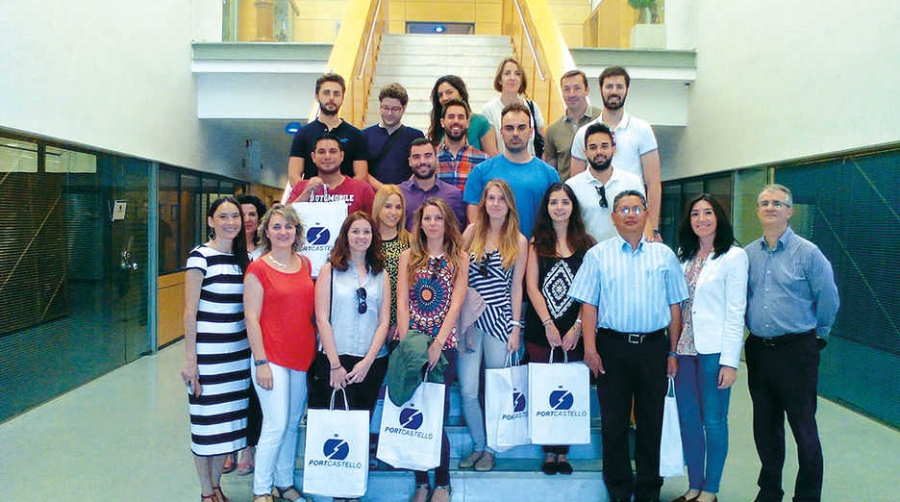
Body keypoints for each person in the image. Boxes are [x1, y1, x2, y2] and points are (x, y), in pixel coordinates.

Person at [569, 190, 688, 502]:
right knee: (614, 423)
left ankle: (649, 490)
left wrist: (673, 351)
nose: (631, 214)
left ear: (646, 214)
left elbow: (676, 308)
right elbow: (589, 306)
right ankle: (619, 490)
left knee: (651, 422)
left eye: (637, 208)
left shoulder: (664, 256)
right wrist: (590, 349)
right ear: (614, 217)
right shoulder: (598, 255)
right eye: (623, 209)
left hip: (653, 349)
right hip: (612, 348)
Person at [744, 184, 839, 502]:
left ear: (790, 210)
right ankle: (769, 491)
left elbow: (828, 298)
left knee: (803, 428)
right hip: (759, 351)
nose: (770, 207)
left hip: (796, 351)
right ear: (757, 211)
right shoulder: (748, 254)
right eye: (764, 203)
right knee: (765, 428)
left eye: (777, 203)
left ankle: (808, 496)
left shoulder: (808, 253)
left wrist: (819, 334)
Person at [670, 194, 748, 502]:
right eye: (695, 214)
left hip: (714, 351)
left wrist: (730, 362)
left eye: (708, 213)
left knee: (714, 421)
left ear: (719, 217)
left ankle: (711, 490)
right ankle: (694, 486)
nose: (701, 219)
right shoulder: (683, 255)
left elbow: (735, 311)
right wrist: (671, 350)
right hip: (684, 350)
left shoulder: (733, 256)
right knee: (689, 421)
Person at [396, 198, 469, 502]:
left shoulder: (459, 258)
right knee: (413, 415)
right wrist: (407, 343)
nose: (433, 223)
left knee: (436, 416)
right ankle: (421, 481)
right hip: (413, 342)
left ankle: (442, 482)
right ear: (421, 222)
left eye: (438, 218)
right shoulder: (409, 256)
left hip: (444, 345)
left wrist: (437, 344)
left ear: (446, 222)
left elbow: (456, 303)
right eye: (428, 218)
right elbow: (401, 299)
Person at [244, 204, 317, 502]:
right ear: (267, 232)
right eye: (276, 227)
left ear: (296, 231)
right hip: (269, 357)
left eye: (288, 226)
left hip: (300, 356)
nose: (283, 232)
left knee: (291, 424)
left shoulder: (306, 264)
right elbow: (251, 317)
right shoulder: (258, 268)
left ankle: (285, 483)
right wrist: (260, 362)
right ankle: (262, 490)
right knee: (275, 424)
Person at [181, 196, 251, 502]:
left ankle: (217, 487)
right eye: (223, 217)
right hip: (209, 358)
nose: (230, 222)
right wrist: (190, 360)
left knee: (224, 428)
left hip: (237, 357)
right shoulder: (200, 257)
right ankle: (206, 493)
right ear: (211, 221)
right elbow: (189, 311)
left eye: (234, 216)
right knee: (206, 426)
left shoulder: (244, 258)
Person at [523, 182, 595, 475]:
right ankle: (548, 451)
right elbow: (532, 286)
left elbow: (592, 289)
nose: (559, 207)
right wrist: (548, 324)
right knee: (545, 390)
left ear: (572, 207)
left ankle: (563, 452)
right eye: (554, 202)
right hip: (543, 331)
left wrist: (577, 326)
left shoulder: (587, 244)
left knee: (570, 392)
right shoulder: (535, 243)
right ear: (547, 207)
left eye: (565, 202)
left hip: (575, 331)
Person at [457, 179, 528, 472]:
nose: (495, 203)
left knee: (497, 390)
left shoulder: (519, 241)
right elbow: (459, 277)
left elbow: (516, 288)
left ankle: (491, 448)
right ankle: (478, 443)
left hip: (500, 322)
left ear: (509, 203)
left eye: (501, 198)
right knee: (468, 390)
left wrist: (515, 328)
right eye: (490, 198)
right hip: (470, 321)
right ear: (484, 202)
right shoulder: (472, 232)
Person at [314, 211, 391, 426]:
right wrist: (335, 365)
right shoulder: (329, 270)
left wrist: (367, 362)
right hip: (335, 359)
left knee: (360, 425)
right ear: (345, 235)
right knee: (334, 426)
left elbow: (384, 321)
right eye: (355, 231)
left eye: (366, 232)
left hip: (370, 361)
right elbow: (322, 319)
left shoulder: (381, 273)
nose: (361, 236)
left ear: (373, 237)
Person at [570, 66, 662, 241]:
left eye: (619, 87)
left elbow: (653, 182)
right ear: (600, 90)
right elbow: (575, 186)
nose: (614, 92)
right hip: (591, 229)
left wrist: (653, 227)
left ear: (627, 90)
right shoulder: (584, 133)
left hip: (631, 225)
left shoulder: (642, 130)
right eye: (609, 86)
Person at [463, 102, 560, 240]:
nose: (515, 133)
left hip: (537, 252)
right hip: (493, 257)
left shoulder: (549, 174)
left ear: (531, 132)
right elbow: (474, 220)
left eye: (521, 128)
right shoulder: (481, 172)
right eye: (509, 128)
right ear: (501, 132)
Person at [223, 194, 268, 476]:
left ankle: (249, 448)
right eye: (243, 214)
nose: (247, 219)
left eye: (253, 214)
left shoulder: (269, 250)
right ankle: (230, 446)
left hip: (261, 332)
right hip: (232, 334)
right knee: (231, 390)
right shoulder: (228, 250)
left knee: (253, 393)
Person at [565, 123, 644, 243]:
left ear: (614, 149)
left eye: (604, 146)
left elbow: (642, 220)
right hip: (586, 256)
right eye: (593, 147)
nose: (599, 152)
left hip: (625, 256)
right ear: (585, 152)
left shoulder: (632, 182)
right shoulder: (572, 186)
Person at [288, 73, 368, 187]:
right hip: (311, 201)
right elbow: (293, 176)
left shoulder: (355, 135)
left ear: (342, 98)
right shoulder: (303, 134)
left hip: (346, 202)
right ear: (317, 96)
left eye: (336, 94)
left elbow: (361, 176)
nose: (331, 98)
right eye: (326, 93)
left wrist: (341, 193)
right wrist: (310, 192)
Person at [286, 133, 375, 214]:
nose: (327, 156)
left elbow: (375, 224)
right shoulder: (301, 188)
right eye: (321, 152)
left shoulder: (362, 189)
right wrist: (306, 194)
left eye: (333, 151)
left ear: (341, 156)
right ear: (313, 157)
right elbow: (283, 218)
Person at [362, 83, 425, 190]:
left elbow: (420, 166)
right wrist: (385, 190)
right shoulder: (364, 135)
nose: (389, 113)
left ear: (404, 108)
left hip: (406, 196)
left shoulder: (415, 136)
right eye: (385, 108)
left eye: (395, 109)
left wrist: (401, 190)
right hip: (374, 196)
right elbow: (362, 170)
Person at [543, 70, 602, 181]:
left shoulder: (601, 120)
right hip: (566, 194)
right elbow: (550, 170)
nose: (572, 94)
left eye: (577, 88)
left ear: (587, 90)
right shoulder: (553, 130)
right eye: (567, 89)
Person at [482, 58, 545, 157]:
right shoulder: (489, 110)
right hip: (502, 169)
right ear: (499, 79)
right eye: (507, 73)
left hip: (531, 168)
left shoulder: (532, 107)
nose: (513, 77)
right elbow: (492, 152)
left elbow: (544, 144)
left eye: (517, 74)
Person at [401, 137, 467, 230]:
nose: (422, 161)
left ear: (436, 159)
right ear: (409, 162)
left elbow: (459, 233)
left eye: (428, 156)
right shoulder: (399, 194)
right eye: (416, 157)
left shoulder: (454, 195)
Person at [372, 185, 410, 340]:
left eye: (398, 207)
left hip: (399, 322)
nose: (393, 213)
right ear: (378, 207)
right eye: (388, 206)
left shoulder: (411, 242)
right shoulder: (367, 240)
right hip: (371, 318)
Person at [428, 75, 499, 156]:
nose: (444, 98)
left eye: (449, 92)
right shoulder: (439, 125)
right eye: (440, 95)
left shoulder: (480, 122)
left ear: (461, 94)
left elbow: (493, 158)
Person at [435, 98, 490, 192]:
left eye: (461, 117)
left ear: (468, 123)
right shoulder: (431, 157)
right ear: (442, 122)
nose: (456, 121)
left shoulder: (483, 160)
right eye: (451, 117)